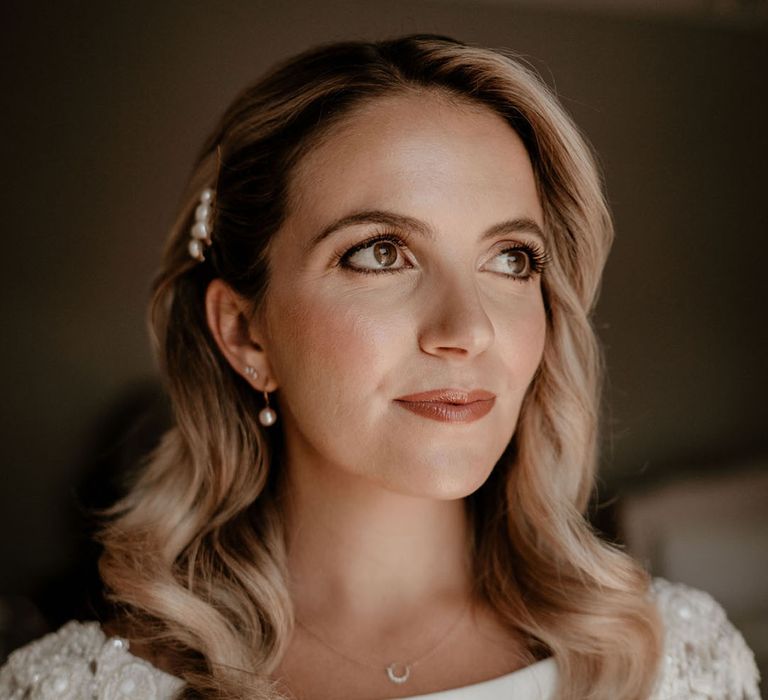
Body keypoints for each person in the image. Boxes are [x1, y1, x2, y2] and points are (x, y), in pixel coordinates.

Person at [0, 33, 760, 700]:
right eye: (381, 253)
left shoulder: (676, 666)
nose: (466, 330)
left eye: (511, 258)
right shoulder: (76, 688)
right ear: (244, 332)